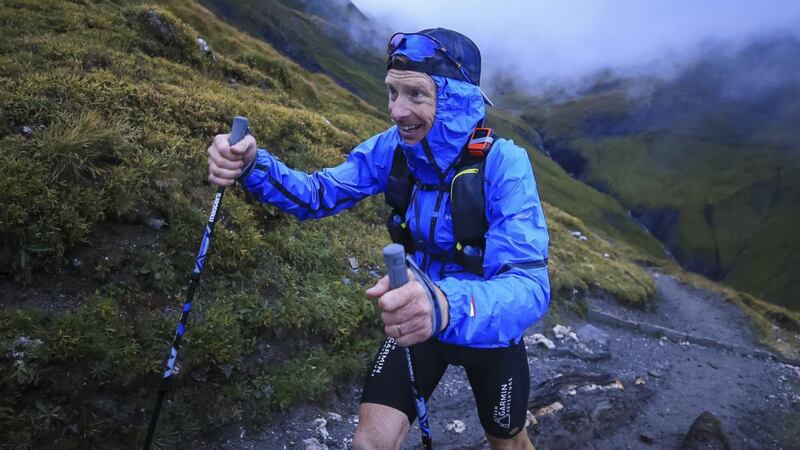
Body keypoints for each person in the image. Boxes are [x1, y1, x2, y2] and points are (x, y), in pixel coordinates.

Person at [207, 28, 549, 450]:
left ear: (455, 99)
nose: (396, 110)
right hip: (416, 321)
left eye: (416, 95)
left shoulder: (504, 164)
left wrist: (443, 304)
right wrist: (253, 165)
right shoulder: (393, 149)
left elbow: (530, 286)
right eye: (392, 92)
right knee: (369, 445)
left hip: (488, 328)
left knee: (509, 441)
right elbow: (318, 194)